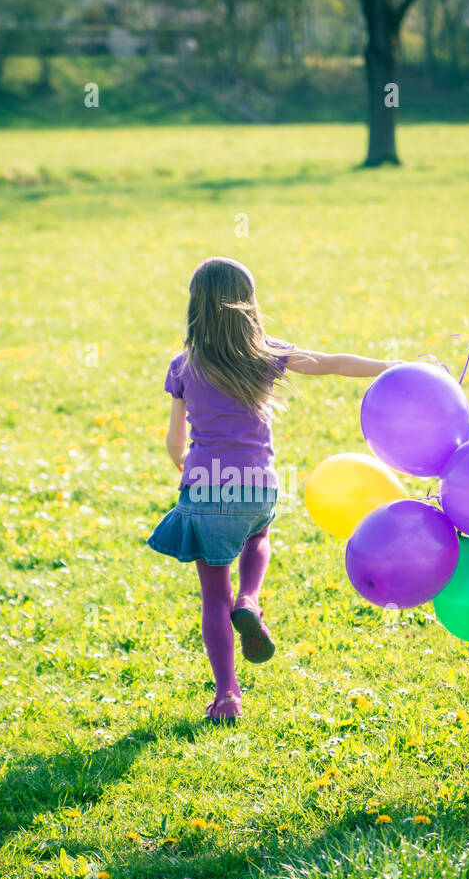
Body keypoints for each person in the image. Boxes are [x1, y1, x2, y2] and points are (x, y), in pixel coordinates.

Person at [148, 257, 395, 721]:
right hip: (259, 487)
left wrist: (181, 462)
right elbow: (330, 363)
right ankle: (252, 599)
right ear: (249, 305)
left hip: (206, 489)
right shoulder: (265, 354)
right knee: (259, 536)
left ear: (196, 307)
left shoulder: (183, 365)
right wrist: (388, 366)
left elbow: (174, 440)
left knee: (212, 596)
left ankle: (227, 697)